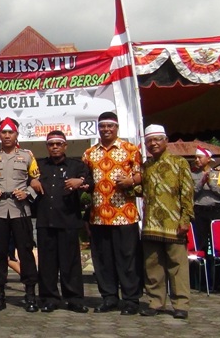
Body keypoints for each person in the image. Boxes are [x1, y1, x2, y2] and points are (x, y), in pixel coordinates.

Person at [82, 112, 143, 315]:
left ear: (117, 128)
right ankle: (109, 298)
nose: (106, 129)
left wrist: (131, 181)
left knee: (128, 259)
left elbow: (142, 174)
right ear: (98, 128)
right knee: (103, 260)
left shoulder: (130, 149)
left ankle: (131, 299)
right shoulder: (89, 153)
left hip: (124, 214)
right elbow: (86, 180)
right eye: (103, 126)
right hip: (99, 216)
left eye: (110, 126)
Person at [0, 117, 39, 313]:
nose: (6, 136)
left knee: (25, 253)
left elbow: (37, 181)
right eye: (3, 132)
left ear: (16, 134)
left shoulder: (27, 156)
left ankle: (30, 295)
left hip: (20, 211)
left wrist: (28, 193)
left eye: (10, 132)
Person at [32, 130, 92, 314]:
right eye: (51, 144)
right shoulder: (39, 166)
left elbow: (90, 181)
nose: (55, 147)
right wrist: (32, 181)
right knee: (47, 263)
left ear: (65, 146)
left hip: (68, 220)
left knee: (71, 263)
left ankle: (74, 299)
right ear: (47, 147)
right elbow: (26, 178)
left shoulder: (76, 165)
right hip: (45, 220)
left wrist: (79, 181)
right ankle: (49, 298)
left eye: (59, 144)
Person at [139, 124, 193, 319]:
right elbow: (141, 190)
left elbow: (187, 193)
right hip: (151, 223)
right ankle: (156, 302)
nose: (153, 144)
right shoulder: (146, 166)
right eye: (149, 141)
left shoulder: (179, 163)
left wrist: (185, 219)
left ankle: (181, 304)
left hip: (174, 223)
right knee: (152, 265)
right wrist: (126, 185)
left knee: (177, 265)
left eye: (157, 140)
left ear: (165, 140)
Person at [190, 146, 220, 254]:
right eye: (196, 158)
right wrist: (201, 183)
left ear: (208, 159)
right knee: (201, 243)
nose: (197, 160)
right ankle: (202, 268)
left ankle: (217, 269)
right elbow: (189, 194)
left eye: (200, 157)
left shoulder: (218, 174)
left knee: (217, 243)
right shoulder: (191, 175)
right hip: (199, 211)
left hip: (215, 211)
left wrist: (211, 185)